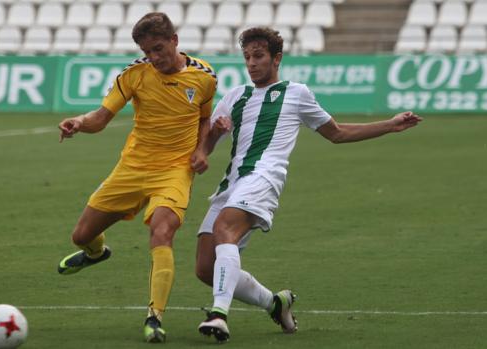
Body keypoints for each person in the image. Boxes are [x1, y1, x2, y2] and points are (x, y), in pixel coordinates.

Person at [195, 27, 422, 343]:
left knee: (224, 230)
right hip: (231, 183)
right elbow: (204, 143)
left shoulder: (296, 93)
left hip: (264, 177)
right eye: (247, 57)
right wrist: (210, 139)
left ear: (277, 58)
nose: (251, 63)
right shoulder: (236, 96)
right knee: (206, 268)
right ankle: (276, 303)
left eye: (258, 56)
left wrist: (390, 125)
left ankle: (219, 314)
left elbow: (337, 132)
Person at [56, 12, 217, 343]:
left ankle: (154, 317)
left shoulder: (204, 77)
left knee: (162, 232)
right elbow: (101, 117)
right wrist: (79, 122)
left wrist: (202, 151)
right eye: (148, 52)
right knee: (81, 234)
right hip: (132, 168)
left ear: (174, 40)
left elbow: (205, 119)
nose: (154, 58)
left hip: (174, 170)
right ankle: (96, 253)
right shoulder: (133, 73)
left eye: (159, 49)